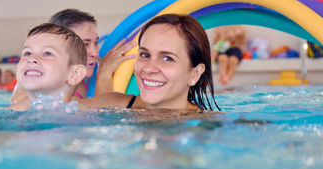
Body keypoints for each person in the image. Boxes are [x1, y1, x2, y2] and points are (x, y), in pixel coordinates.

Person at [81, 14, 219, 111]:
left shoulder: (209, 130)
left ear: (194, 74)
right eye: (145, 55)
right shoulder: (111, 106)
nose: (148, 68)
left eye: (167, 58)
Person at [10, 9, 134, 103]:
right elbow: (100, 118)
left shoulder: (85, 79)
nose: (95, 52)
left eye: (95, 43)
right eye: (84, 44)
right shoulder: (32, 87)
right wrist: (104, 73)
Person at [9, 23, 87, 111]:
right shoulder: (6, 117)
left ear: (74, 74)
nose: (31, 59)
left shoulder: (88, 117)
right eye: (27, 53)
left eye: (47, 53)